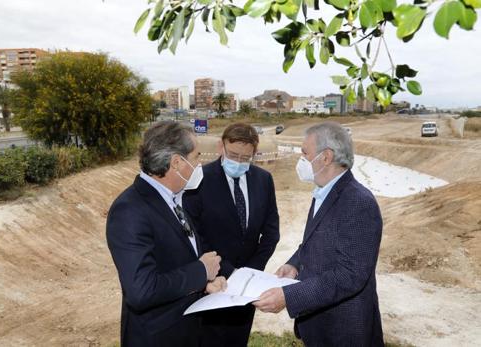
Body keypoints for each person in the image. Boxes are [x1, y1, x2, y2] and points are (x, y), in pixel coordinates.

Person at [253, 121, 384, 347]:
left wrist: (289, 297)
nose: (301, 160)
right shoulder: (324, 192)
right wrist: (295, 264)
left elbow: (350, 275)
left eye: (305, 153)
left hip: (344, 332)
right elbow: (316, 239)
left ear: (325, 157)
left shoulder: (358, 202)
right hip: (319, 326)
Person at [106, 121, 226, 347]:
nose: (200, 164)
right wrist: (201, 271)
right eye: (196, 156)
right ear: (177, 163)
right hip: (158, 338)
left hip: (187, 331)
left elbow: (174, 263)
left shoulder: (174, 197)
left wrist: (204, 284)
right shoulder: (130, 210)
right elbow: (142, 290)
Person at [184, 122, 280, 347]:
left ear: (254, 153)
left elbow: (271, 232)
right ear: (221, 147)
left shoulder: (263, 180)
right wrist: (229, 271)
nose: (238, 162)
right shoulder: (199, 180)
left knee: (238, 339)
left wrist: (250, 272)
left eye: (245, 158)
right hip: (213, 282)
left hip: (248, 284)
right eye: (233, 154)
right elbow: (195, 235)